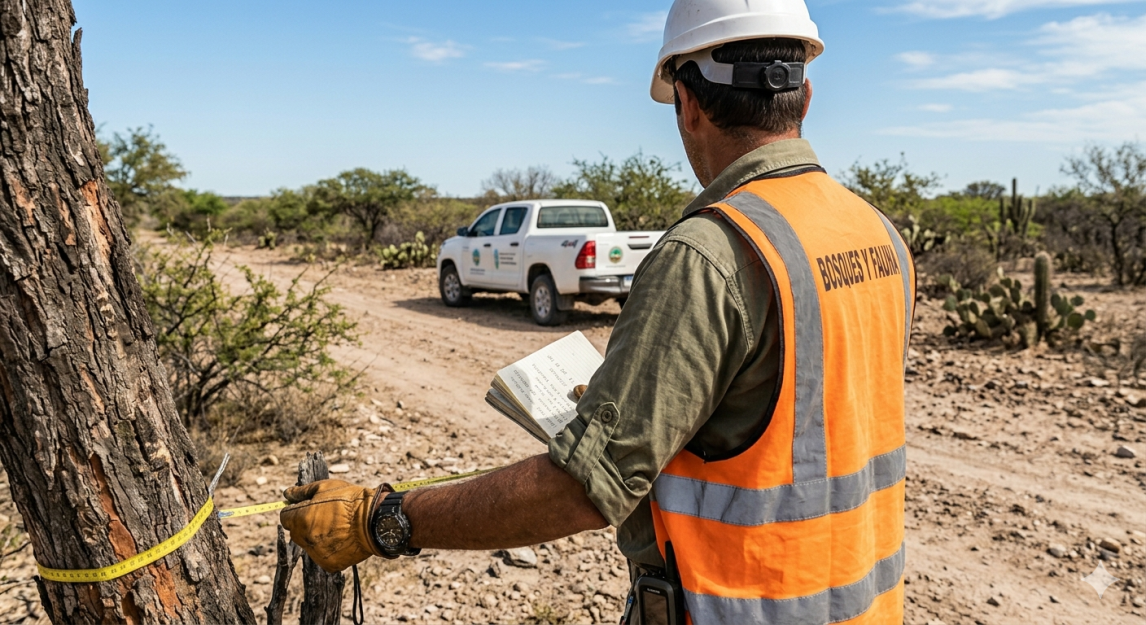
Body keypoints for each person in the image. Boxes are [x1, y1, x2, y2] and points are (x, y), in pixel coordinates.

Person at [280, 1, 915, 623]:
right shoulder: (877, 233)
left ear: (688, 104)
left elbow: (583, 490)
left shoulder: (710, 254)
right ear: (805, 96)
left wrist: (381, 521)